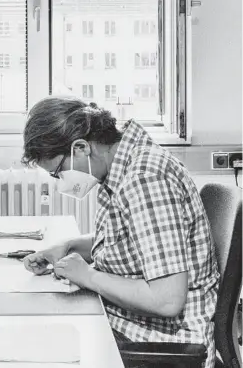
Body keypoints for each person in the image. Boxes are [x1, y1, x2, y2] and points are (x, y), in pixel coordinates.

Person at [21, 96, 220, 368]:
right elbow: (131, 241)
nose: (60, 183)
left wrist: (88, 275)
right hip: (131, 322)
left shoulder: (146, 179)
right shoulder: (118, 166)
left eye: (58, 173)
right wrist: (67, 247)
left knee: (36, 351)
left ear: (80, 148)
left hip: (160, 340)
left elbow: (167, 300)